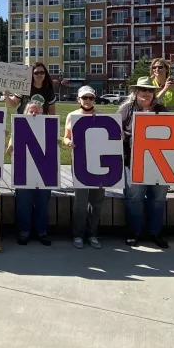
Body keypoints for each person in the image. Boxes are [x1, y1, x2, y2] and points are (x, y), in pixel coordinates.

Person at [118, 77, 171, 248]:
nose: (147, 93)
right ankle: (134, 232)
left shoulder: (161, 110)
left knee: (158, 198)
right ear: (136, 92)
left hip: (159, 163)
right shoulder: (126, 110)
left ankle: (155, 233)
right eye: (143, 90)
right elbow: (117, 133)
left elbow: (171, 132)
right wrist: (133, 136)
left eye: (150, 90)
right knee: (134, 198)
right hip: (133, 161)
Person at [65, 86, 107, 249]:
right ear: (79, 99)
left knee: (97, 201)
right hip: (80, 163)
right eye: (84, 98)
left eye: (90, 98)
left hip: (99, 164)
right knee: (81, 202)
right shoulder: (72, 115)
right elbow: (66, 137)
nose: (88, 101)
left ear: (94, 99)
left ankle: (93, 234)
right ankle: (78, 235)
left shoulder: (102, 116)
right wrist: (68, 142)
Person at [10, 98, 51, 246]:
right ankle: (24, 231)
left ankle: (42, 231)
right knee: (24, 203)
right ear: (25, 113)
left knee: (42, 203)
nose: (34, 114)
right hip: (24, 169)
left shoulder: (48, 127)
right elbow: (12, 139)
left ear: (43, 113)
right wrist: (10, 146)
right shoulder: (19, 126)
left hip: (44, 171)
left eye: (37, 112)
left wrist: (58, 143)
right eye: (31, 111)